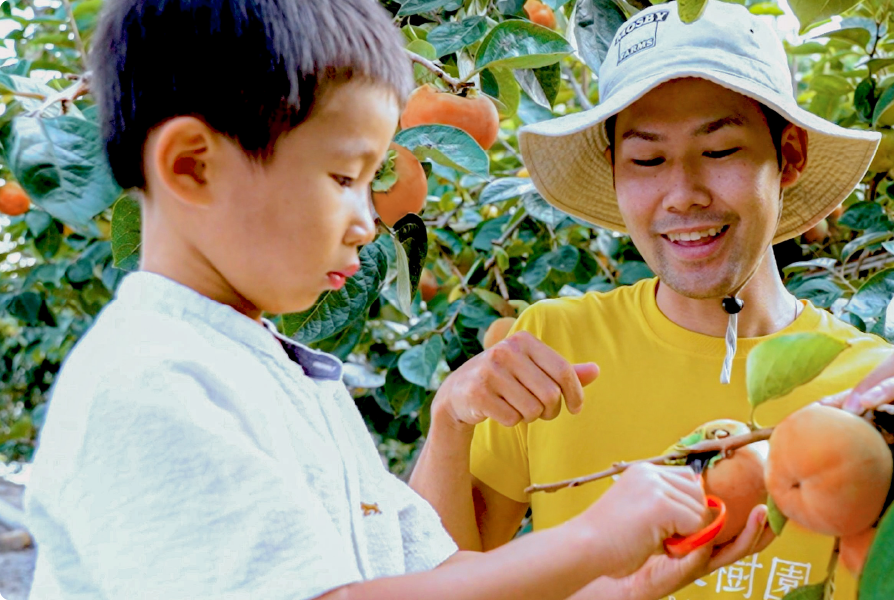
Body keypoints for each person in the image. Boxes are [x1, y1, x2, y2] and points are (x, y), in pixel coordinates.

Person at [22, 1, 765, 599]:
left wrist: (627, 583)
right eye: (346, 178)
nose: (369, 221)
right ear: (192, 167)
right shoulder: (148, 384)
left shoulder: (289, 379)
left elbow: (440, 585)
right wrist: (592, 538)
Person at [424, 2, 894, 599]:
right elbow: (435, 578)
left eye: (721, 150)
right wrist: (450, 423)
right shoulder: (555, 351)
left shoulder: (877, 393)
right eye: (647, 160)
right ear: (617, 172)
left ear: (786, 158)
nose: (683, 194)